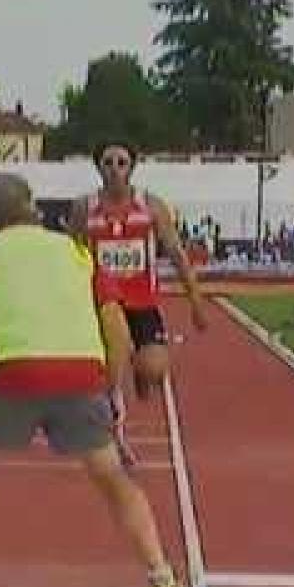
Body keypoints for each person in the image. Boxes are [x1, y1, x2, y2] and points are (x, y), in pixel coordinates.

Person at [0, 172, 186, 587]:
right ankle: (161, 575)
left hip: (13, 372)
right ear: (33, 207)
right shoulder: (76, 252)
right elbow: (116, 327)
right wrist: (107, 383)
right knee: (111, 477)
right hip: (80, 375)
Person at [69, 140, 208, 466]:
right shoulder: (83, 208)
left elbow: (176, 254)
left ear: (132, 167)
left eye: (121, 162)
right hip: (103, 304)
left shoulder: (152, 206)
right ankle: (113, 434)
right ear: (99, 168)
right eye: (108, 162)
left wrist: (196, 301)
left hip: (143, 303)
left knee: (154, 369)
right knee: (107, 377)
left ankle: (140, 377)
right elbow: (70, 253)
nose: (115, 169)